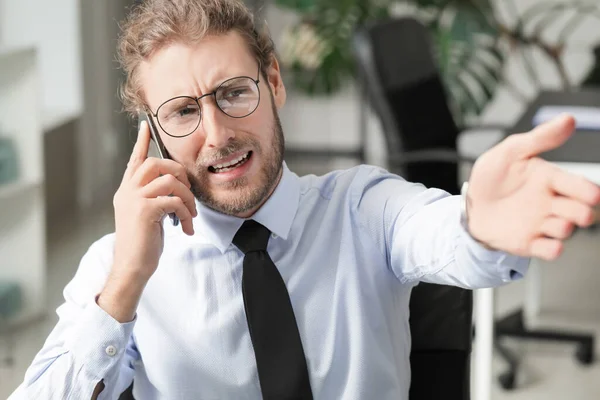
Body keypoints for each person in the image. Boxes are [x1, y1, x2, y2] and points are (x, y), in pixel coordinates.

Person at [10, 0, 600, 399]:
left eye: (233, 93)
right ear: (155, 131)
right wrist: (123, 288)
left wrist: (479, 225)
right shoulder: (116, 268)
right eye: (184, 111)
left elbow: (440, 232)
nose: (216, 134)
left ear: (274, 82)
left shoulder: (363, 208)